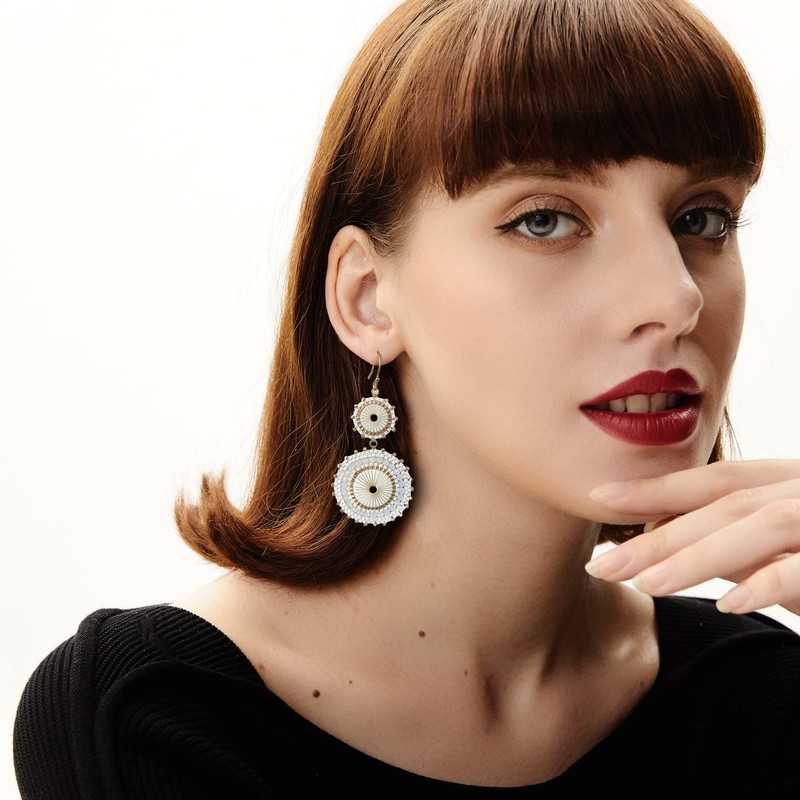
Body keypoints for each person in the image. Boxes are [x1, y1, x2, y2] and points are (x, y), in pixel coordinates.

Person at [13, 0, 800, 796]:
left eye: (704, 218)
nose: (675, 297)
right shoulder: (155, 712)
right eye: (544, 221)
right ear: (366, 299)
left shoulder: (765, 690)